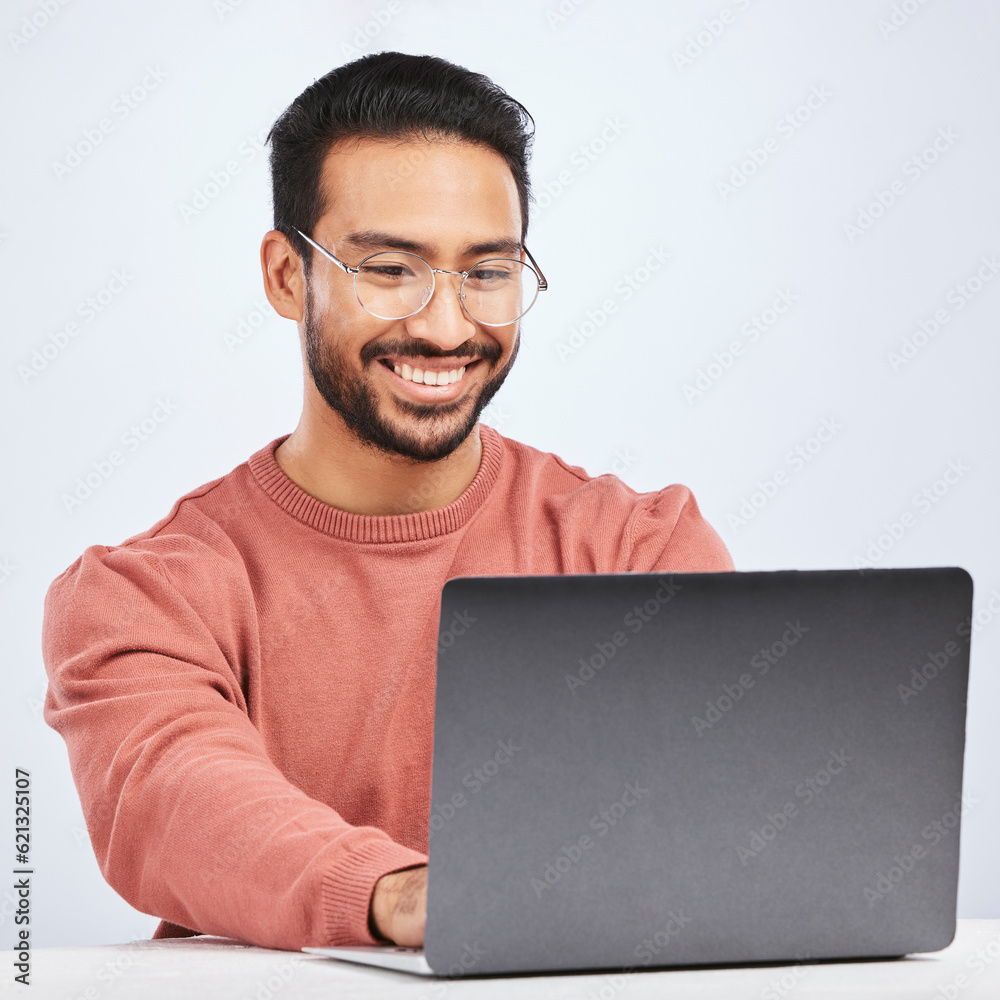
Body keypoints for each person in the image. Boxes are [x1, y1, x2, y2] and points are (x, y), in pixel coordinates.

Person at [41, 51, 734, 953]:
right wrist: (398, 895)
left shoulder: (639, 552)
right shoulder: (142, 597)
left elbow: (723, 832)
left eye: (487, 273)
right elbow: (175, 795)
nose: (447, 327)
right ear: (288, 277)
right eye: (390, 270)